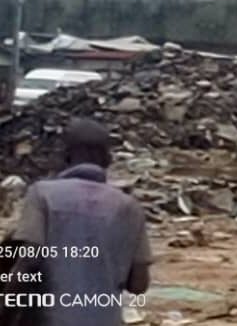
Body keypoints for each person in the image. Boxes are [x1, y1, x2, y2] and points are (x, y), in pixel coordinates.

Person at [1, 118, 152, 326]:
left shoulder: (43, 194)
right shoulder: (129, 207)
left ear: (65, 154)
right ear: (107, 158)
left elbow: (29, 261)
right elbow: (138, 284)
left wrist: (5, 311)